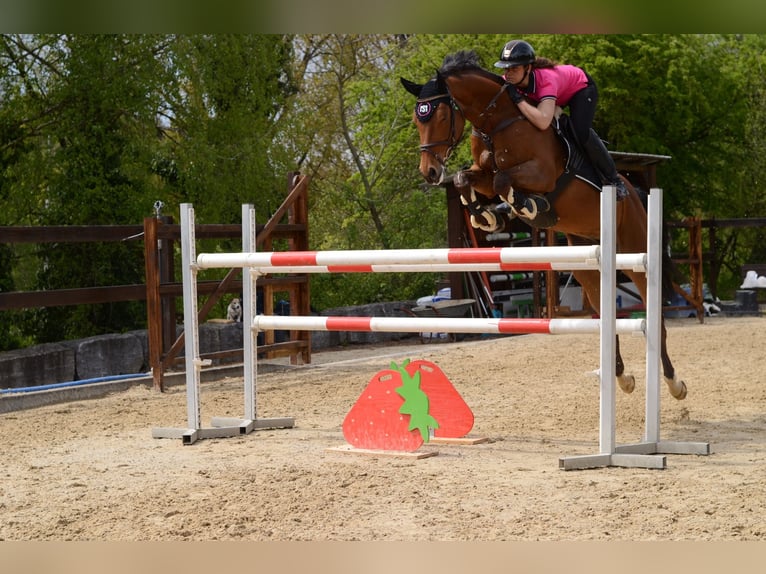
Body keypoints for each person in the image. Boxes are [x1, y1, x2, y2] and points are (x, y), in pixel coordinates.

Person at [494, 39, 628, 198]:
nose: (508, 74)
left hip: (581, 90)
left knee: (580, 131)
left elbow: (543, 122)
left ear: (528, 68)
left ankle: (615, 180)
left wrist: (518, 99)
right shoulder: (510, 79)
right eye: (506, 68)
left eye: (514, 69)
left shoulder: (546, 80)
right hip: (556, 94)